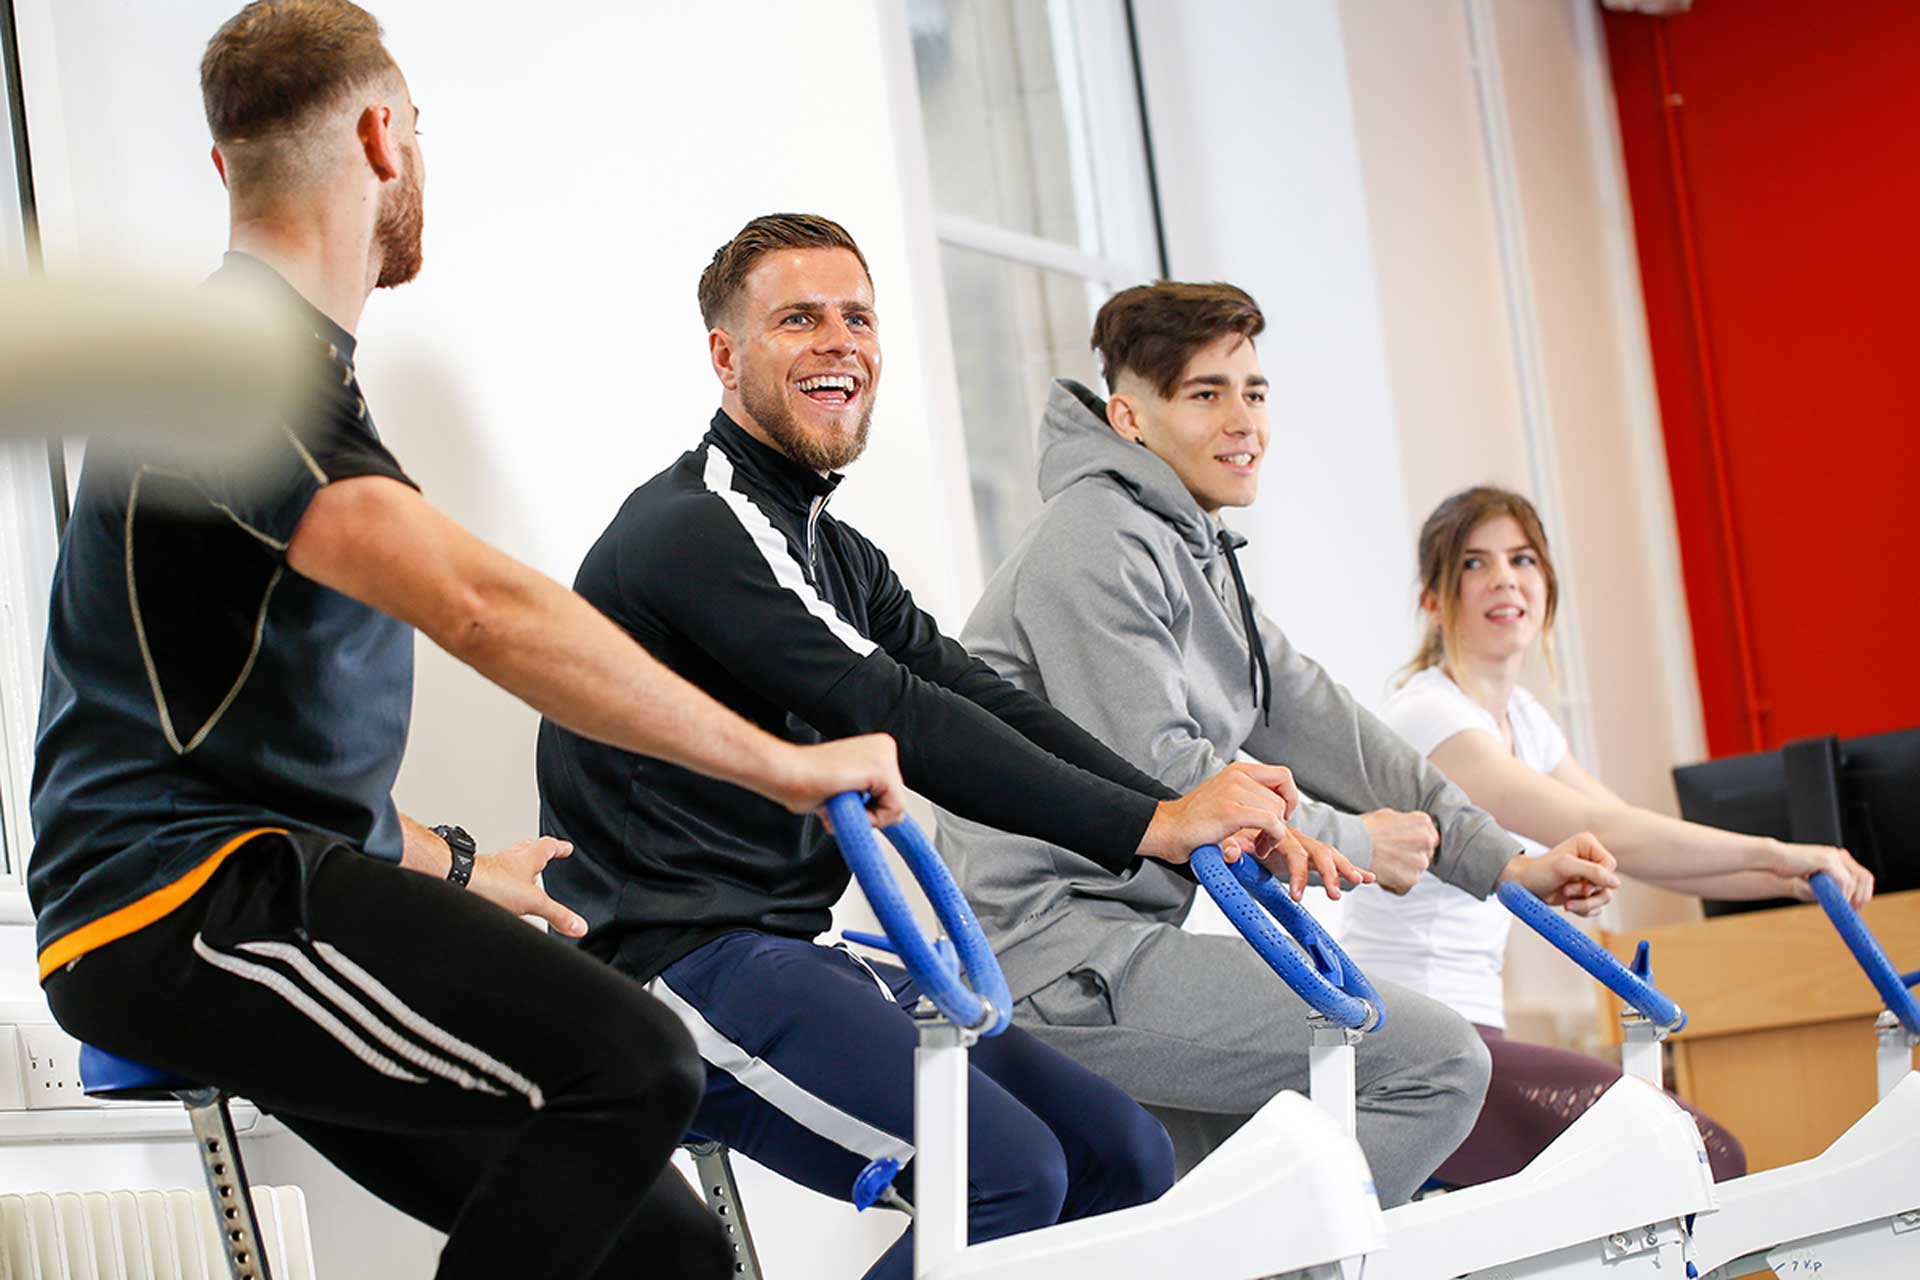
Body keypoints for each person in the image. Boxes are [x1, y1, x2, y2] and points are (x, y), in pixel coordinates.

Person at [30, 7, 909, 1278]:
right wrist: (780, 763)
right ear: (386, 137)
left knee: (658, 1241)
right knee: (630, 1063)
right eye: (422, 135)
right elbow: (479, 605)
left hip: (241, 889)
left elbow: (239, 737)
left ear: (227, 169)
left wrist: (448, 863)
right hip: (180, 910)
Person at [534, 216, 1345, 1280]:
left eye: (857, 317)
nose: (839, 341)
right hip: (676, 967)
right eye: (798, 319)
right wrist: (1156, 823)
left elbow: (970, 688)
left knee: (1120, 1154)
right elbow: (891, 710)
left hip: (789, 947)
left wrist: (1180, 814)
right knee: (1007, 1174)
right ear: (726, 355)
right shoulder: (700, 525)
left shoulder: (828, 542)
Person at [934, 281, 1624, 1205]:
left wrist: (1500, 863)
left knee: (1245, 1181)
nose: (1242, 420)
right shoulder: (1094, 541)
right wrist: (1352, 844)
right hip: (1053, 959)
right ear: (1129, 416)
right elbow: (1162, 772)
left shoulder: (1195, 548)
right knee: (1435, 1066)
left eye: (1253, 391)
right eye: (1205, 394)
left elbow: (1322, 721)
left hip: (1112, 945)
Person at [1341, 484, 1875, 1184]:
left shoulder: (1525, 721)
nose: (1505, 578)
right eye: (1475, 563)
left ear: (1547, 587)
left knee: (1681, 1161)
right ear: (1435, 601)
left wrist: (1791, 879)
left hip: (1471, 1035)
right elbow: (1599, 826)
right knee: (1695, 1156)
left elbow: (1627, 844)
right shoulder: (1428, 719)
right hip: (1413, 1042)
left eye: (1523, 559)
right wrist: (1778, 853)